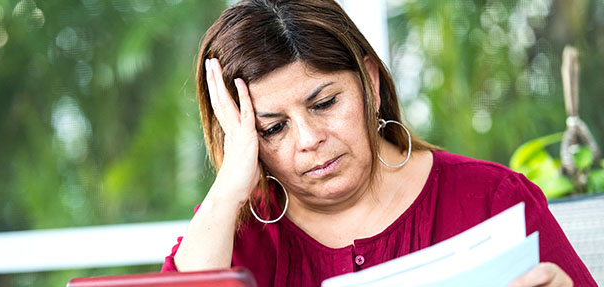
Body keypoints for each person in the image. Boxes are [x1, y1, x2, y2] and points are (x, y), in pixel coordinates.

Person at [161, 0, 597, 286]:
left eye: (325, 103)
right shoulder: (233, 234)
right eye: (273, 128)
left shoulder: (494, 198)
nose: (310, 139)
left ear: (369, 80)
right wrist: (229, 187)